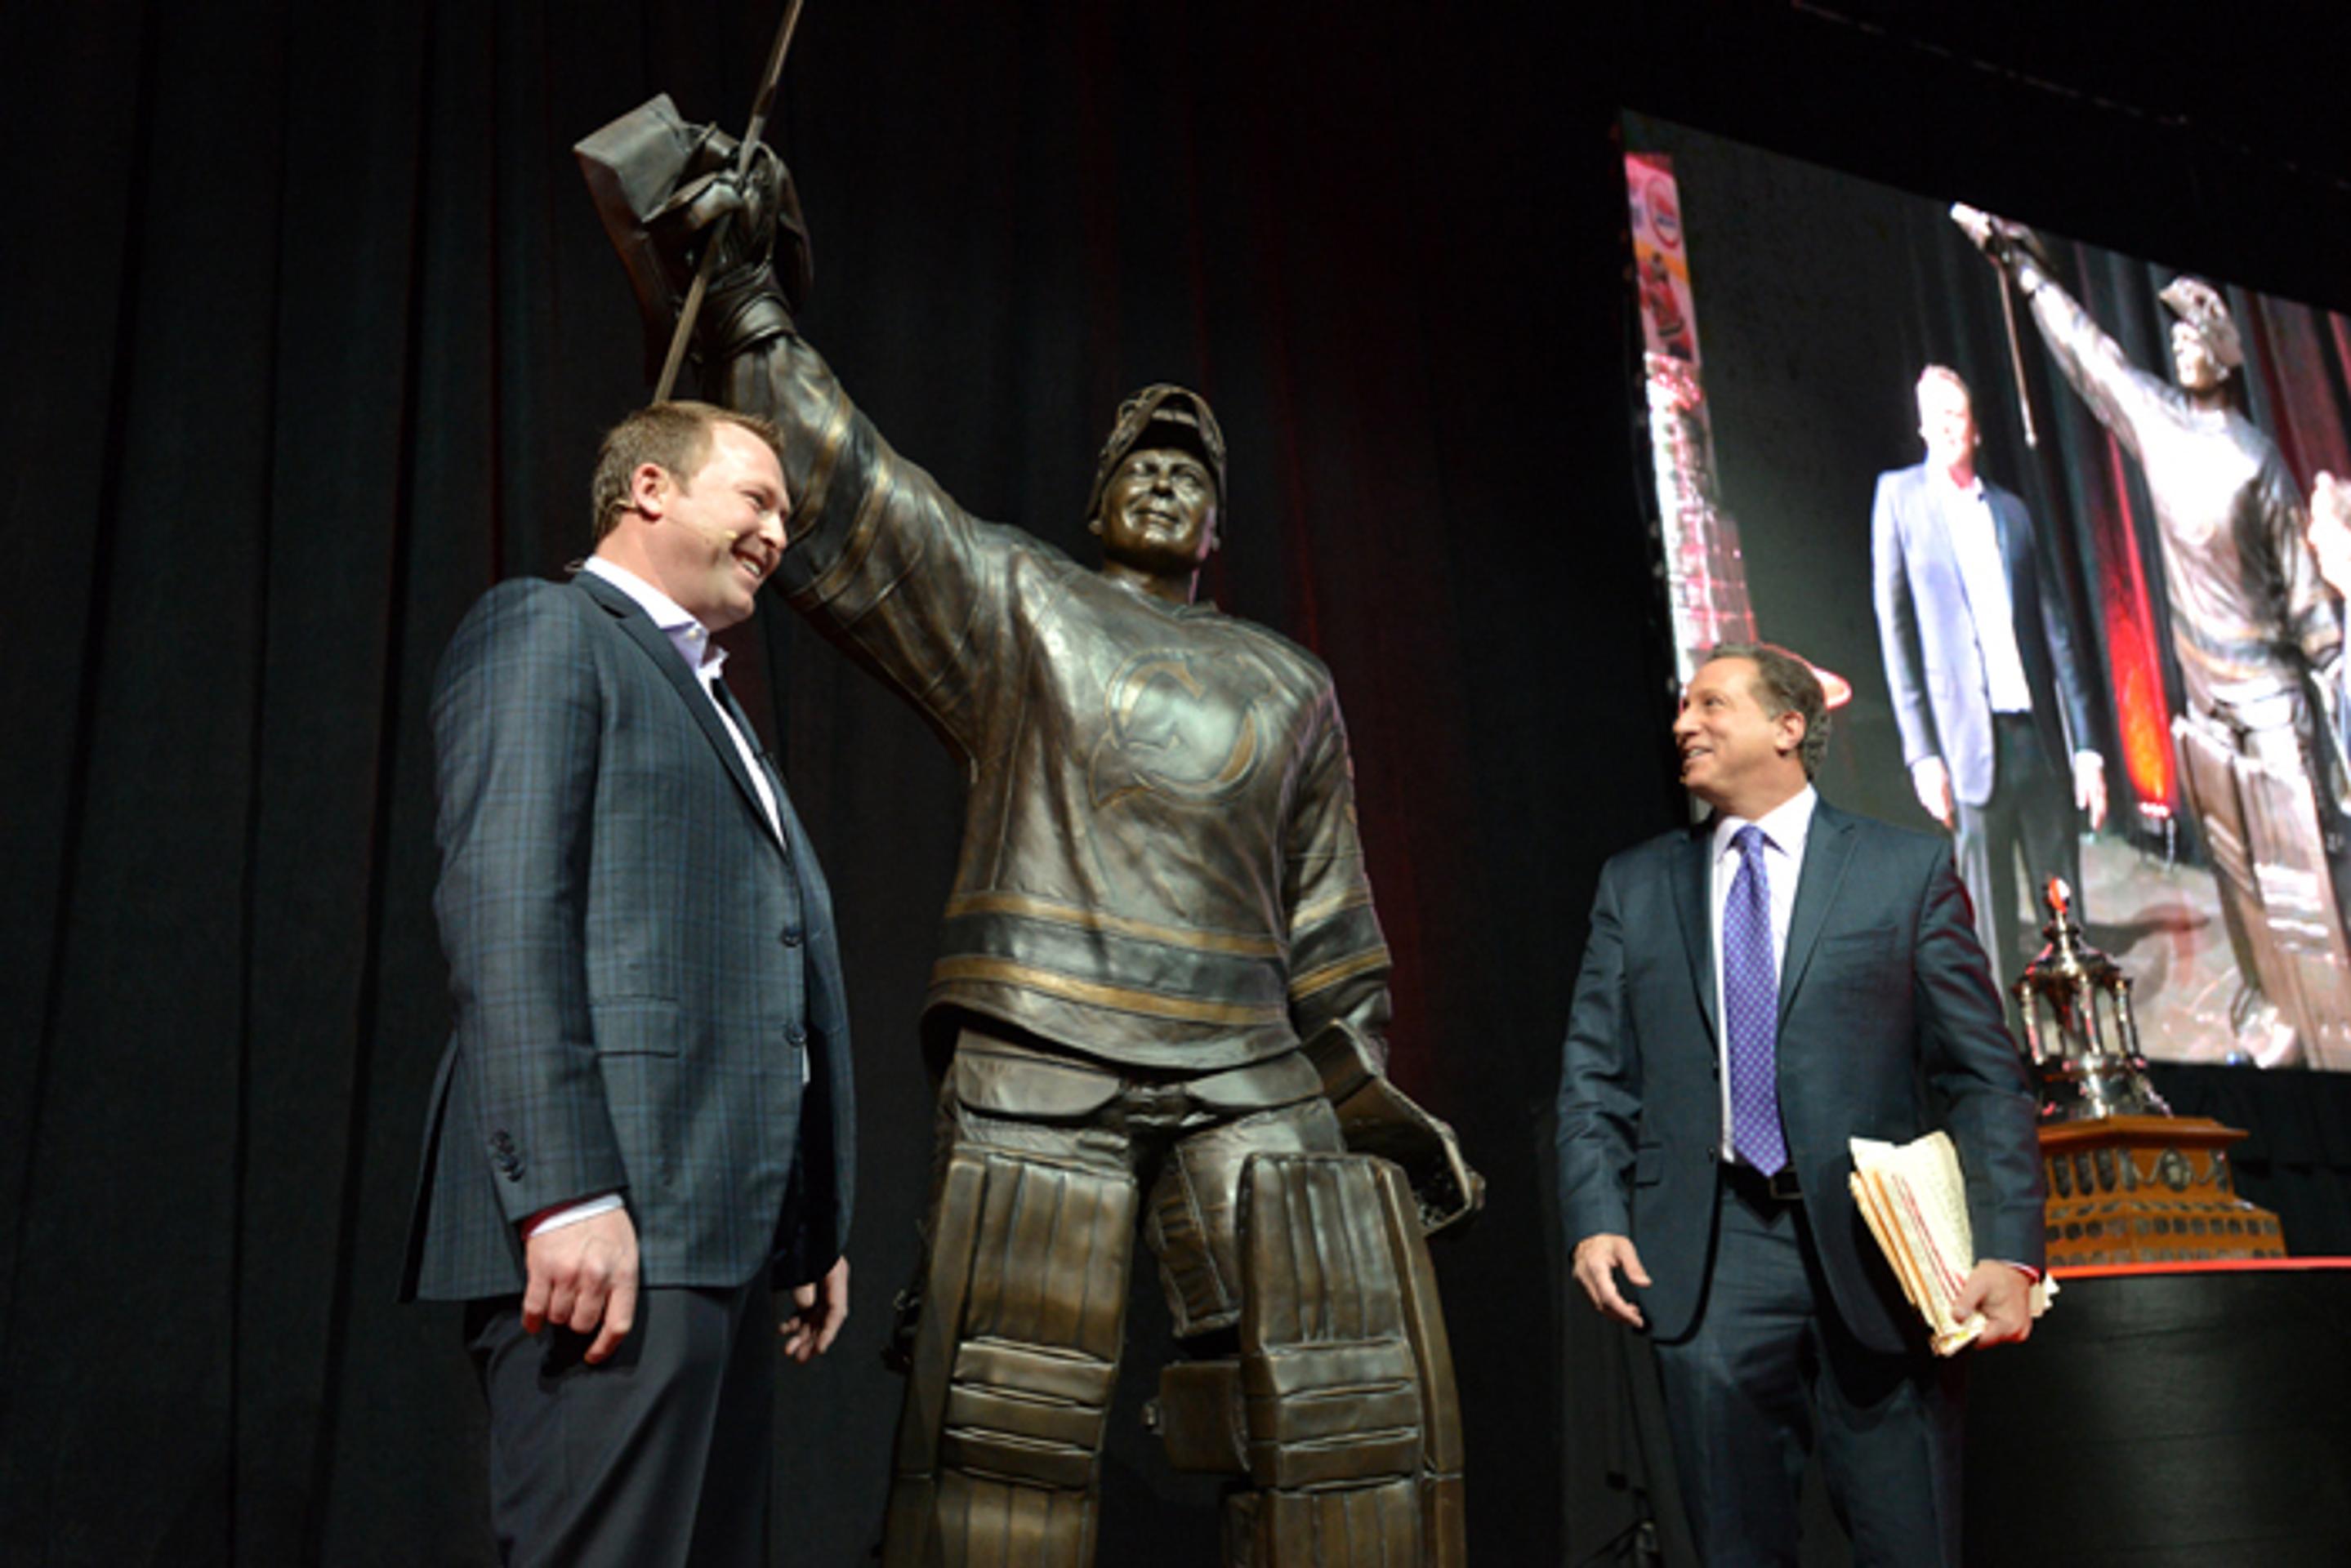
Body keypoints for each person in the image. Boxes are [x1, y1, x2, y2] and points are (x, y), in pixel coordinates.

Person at [575, 99, 1470, 1566]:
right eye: (1144, 457)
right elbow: (865, 501)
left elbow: (1330, 927)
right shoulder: (1022, 600)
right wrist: (743, 299)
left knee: (1348, 1415)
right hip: (1043, 1036)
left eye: (1196, 470)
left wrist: (1363, 1090)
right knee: (1004, 1432)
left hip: (1249, 1062)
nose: (1170, 473)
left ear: (1215, 531)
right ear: (1096, 498)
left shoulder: (1292, 683)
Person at [399, 399, 858, 1567]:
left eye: (787, 517)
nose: (776, 533)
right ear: (649, 488)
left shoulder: (717, 705)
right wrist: (562, 1194)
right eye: (756, 499)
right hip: (614, 1224)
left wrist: (806, 1222)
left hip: (717, 1237)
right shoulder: (548, 630)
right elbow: (506, 911)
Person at [1557, 642, 2044, 1567]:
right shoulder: (1635, 883)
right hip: (1707, 1257)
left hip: (1882, 1253)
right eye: (1681, 709)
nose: (1681, 725)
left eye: (1709, 705)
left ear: (1788, 727)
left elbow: (1982, 1074)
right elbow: (1593, 1070)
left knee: (1911, 1543)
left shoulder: (1902, 871)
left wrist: (2010, 1250)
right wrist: (1593, 1217)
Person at [1956, 207, 2351, 1067]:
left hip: (2271, 711)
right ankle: (2273, 1018)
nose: (2180, 342)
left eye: (2196, 328)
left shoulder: (2254, 462)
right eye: (2172, 329)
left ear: (2229, 353)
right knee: (2241, 889)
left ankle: (2328, 1033)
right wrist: (2025, 271)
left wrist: (2337, 716)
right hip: (2206, 710)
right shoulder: (2159, 425)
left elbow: (2313, 618)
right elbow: (2089, 357)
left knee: (2305, 906)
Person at [1872, 363, 2105, 985]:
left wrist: (2086, 746)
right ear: (1922, 426)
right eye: (1937, 415)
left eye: (1959, 414)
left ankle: (2079, 1025)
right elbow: (1895, 637)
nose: (1949, 426)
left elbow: (2057, 632)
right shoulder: (1898, 500)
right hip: (1963, 744)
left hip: (2035, 739)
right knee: (1989, 924)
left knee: (2063, 905)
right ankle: (2003, 1053)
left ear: (1974, 426)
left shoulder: (2014, 513)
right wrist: (1922, 754)